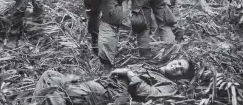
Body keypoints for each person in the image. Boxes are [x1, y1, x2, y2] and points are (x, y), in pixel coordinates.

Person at [32, 58, 195, 105]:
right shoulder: (151, 66)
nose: (177, 66)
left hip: (110, 93)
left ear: (180, 77)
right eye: (179, 62)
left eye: (181, 69)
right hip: (101, 84)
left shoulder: (170, 85)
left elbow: (151, 95)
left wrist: (130, 74)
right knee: (50, 74)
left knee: (54, 85)